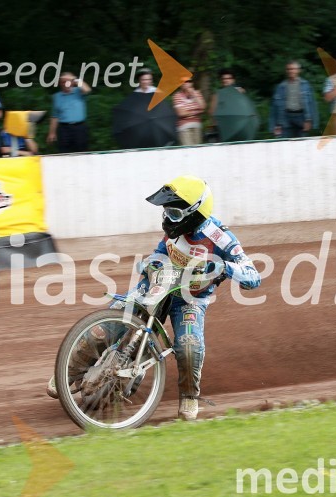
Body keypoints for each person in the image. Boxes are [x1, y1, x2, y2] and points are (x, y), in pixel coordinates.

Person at [47, 175, 262, 421]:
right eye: (167, 211)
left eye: (174, 213)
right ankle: (67, 374)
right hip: (156, 286)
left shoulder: (221, 239)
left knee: (189, 345)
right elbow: (158, 254)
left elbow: (253, 277)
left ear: (195, 213)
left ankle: (189, 396)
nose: (168, 218)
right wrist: (150, 265)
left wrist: (225, 267)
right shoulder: (175, 230)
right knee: (103, 329)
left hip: (189, 300)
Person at [269, 60, 319, 138]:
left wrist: (309, 120)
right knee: (285, 143)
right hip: (285, 117)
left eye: (293, 69)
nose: (291, 71)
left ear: (298, 70)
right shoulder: (280, 87)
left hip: (302, 117)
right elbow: (274, 108)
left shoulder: (305, 85)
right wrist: (275, 125)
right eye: (289, 69)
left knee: (301, 143)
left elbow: (312, 104)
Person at [47, 71, 90, 153]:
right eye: (63, 82)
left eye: (68, 81)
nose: (65, 83)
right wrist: (52, 133)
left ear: (72, 82)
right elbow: (55, 116)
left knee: (82, 152)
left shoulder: (79, 91)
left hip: (79, 127)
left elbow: (87, 89)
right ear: (60, 83)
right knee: (64, 152)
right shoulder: (57, 96)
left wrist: (75, 79)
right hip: (64, 128)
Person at [172, 77, 206, 145]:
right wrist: (196, 111)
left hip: (197, 125)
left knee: (197, 150)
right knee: (188, 150)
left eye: (188, 81)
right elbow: (181, 113)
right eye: (184, 82)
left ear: (192, 83)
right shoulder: (177, 96)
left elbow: (203, 107)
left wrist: (194, 95)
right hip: (184, 127)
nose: (186, 83)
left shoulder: (197, 93)